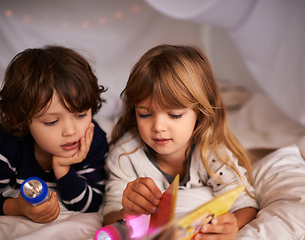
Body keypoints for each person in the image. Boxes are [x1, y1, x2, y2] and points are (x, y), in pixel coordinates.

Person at [102, 44, 257, 239]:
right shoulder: (126, 154)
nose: (158, 126)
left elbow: (246, 205)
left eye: (174, 115)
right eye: (145, 114)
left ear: (199, 113)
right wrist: (128, 210)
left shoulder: (212, 151)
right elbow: (109, 216)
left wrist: (232, 225)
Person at [0, 46, 109, 223]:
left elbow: (91, 204)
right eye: (51, 122)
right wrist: (17, 207)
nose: (70, 131)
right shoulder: (5, 143)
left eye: (80, 115)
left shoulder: (93, 139)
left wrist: (62, 168)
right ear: (23, 121)